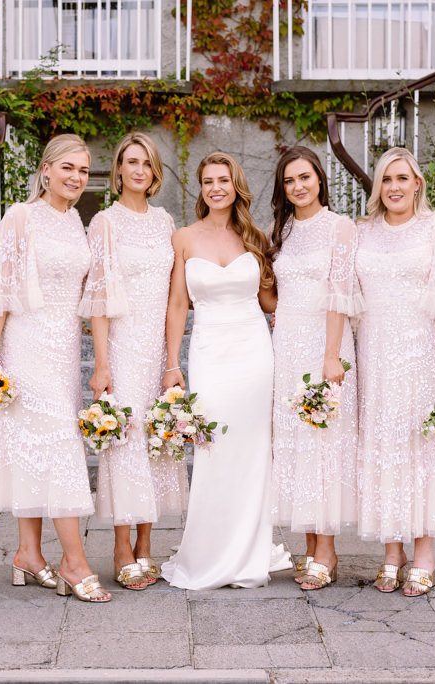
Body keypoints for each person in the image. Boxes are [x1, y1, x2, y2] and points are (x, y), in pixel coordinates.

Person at [0, 134, 111, 603]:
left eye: (83, 171)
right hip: (26, 344)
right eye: (68, 168)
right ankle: (74, 562)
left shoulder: (77, 220)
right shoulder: (21, 217)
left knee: (39, 447)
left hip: (63, 348)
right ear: (46, 170)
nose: (76, 178)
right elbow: (1, 285)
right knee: (59, 446)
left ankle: (28, 555)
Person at [159, 151, 291, 590]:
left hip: (254, 352)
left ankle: (249, 552)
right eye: (208, 180)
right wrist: (171, 363)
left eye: (224, 180)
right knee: (214, 448)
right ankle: (212, 551)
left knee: (253, 450)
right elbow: (178, 304)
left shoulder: (255, 237)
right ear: (201, 188)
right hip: (209, 351)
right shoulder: (183, 238)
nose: (216, 187)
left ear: (236, 186)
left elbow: (271, 302)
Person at [354, 147, 435, 596]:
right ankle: (391, 550)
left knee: (421, 448)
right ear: (377, 187)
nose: (395, 187)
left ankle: (423, 550)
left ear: (417, 183)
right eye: (386, 180)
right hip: (375, 352)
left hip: (422, 353)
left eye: (402, 178)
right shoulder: (363, 232)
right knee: (382, 445)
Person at [79, 132, 188, 591]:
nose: (139, 170)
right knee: (124, 445)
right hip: (122, 347)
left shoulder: (166, 223)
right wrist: (101, 365)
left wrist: (172, 358)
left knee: (157, 442)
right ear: (118, 170)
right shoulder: (104, 222)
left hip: (157, 348)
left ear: (154, 170)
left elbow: (173, 299)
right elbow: (99, 301)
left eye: (147, 162)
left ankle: (148, 545)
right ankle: (122, 547)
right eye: (131, 162)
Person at [263, 147, 363, 590]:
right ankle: (309, 547)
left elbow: (341, 294)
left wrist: (331, 357)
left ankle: (327, 550)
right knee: (297, 446)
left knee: (325, 446)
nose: (298, 186)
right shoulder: (278, 232)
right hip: (286, 346)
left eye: (304, 177)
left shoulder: (340, 228)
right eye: (289, 181)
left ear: (320, 180)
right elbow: (268, 292)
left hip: (326, 348)